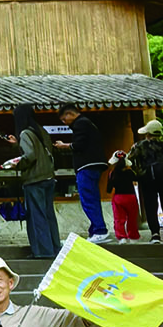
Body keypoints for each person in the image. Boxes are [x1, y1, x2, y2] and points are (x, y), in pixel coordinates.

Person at [6, 104, 61, 259]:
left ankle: (43, 251)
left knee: (37, 216)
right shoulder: (41, 130)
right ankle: (55, 248)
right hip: (48, 177)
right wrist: (17, 145)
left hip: (34, 179)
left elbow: (29, 155)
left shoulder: (24, 133)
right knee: (49, 215)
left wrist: (17, 163)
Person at [56, 104, 109, 242]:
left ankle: (100, 230)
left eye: (63, 119)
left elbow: (79, 145)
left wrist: (65, 145)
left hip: (87, 165)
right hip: (94, 166)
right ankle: (95, 229)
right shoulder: (88, 123)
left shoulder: (81, 124)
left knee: (88, 199)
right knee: (93, 198)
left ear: (70, 114)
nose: (64, 123)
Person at [129, 119, 163, 243]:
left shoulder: (140, 145)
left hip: (147, 179)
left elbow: (128, 160)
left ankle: (155, 234)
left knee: (150, 205)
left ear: (147, 133)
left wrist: (137, 173)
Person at [106, 151, 141, 241]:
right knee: (132, 218)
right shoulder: (130, 172)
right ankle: (133, 236)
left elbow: (108, 190)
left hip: (118, 198)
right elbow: (137, 178)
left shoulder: (112, 173)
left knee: (119, 219)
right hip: (131, 197)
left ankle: (122, 237)